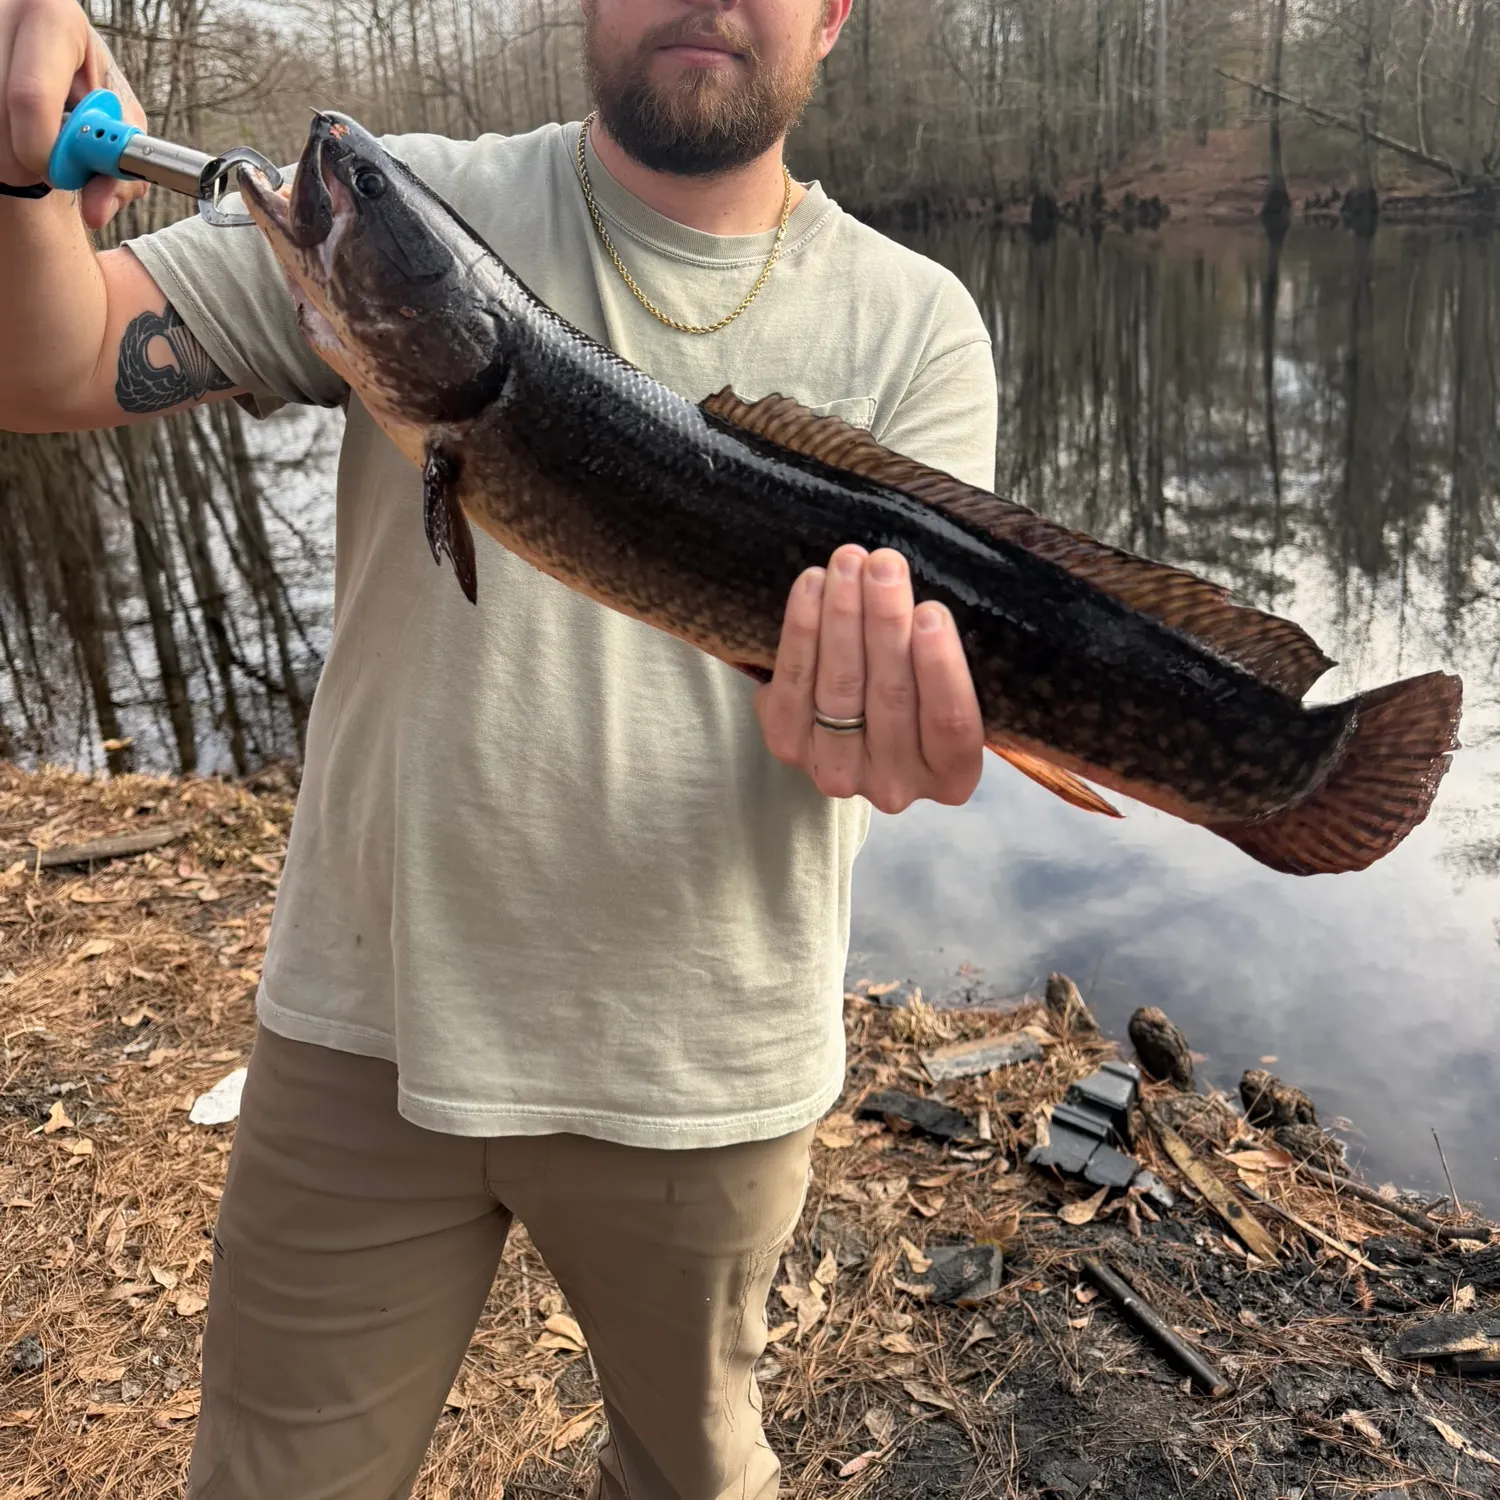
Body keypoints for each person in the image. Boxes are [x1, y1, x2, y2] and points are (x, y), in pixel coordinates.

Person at [0, 0, 998, 1493]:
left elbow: (902, 748)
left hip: (699, 1065)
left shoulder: (917, 325)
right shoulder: (405, 209)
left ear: (837, 13)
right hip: (365, 1017)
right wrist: (18, 175)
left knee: (690, 1474)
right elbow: (46, 363)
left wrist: (888, 742)